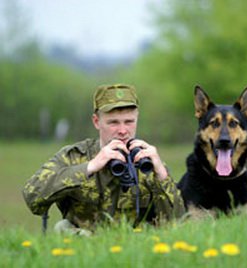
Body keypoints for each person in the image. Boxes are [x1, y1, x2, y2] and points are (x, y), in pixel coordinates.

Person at [22, 84, 185, 235]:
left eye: (129, 122)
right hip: (83, 249)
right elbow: (32, 197)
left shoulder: (147, 162)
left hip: (134, 249)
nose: (123, 131)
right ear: (96, 121)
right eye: (113, 122)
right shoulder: (74, 156)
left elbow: (178, 224)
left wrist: (162, 176)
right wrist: (89, 167)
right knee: (62, 228)